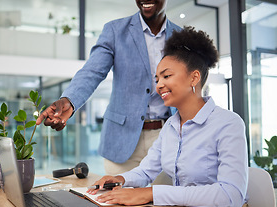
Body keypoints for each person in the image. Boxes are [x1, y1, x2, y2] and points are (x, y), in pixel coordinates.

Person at [87, 26, 248, 207]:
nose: (159, 85)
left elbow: (231, 196)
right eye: (157, 79)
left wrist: (151, 194)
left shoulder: (228, 124)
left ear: (194, 78)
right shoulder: (171, 125)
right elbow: (146, 171)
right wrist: (121, 179)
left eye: (167, 76)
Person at [36, 0, 181, 175]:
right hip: (121, 141)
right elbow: (93, 71)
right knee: (116, 201)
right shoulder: (115, 31)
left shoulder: (182, 36)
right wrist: (69, 101)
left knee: (166, 201)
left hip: (167, 139)